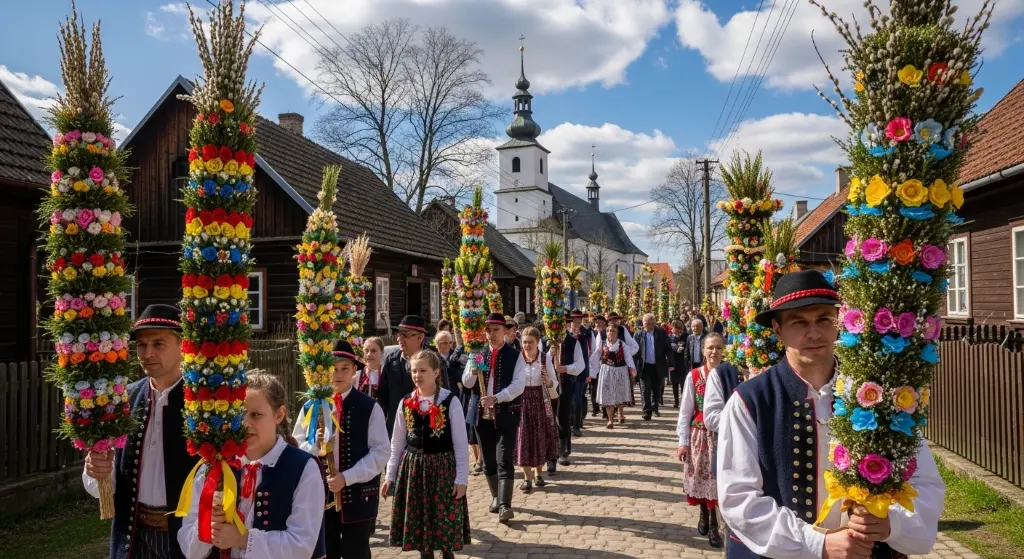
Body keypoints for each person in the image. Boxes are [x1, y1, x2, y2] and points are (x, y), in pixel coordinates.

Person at [717, 271, 945, 559]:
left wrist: (890, 524)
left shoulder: (875, 396)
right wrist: (818, 543)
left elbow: (925, 482)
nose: (813, 333)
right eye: (799, 322)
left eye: (824, 319)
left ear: (838, 323)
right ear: (777, 330)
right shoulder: (750, 402)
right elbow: (739, 500)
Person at [82, 304, 199, 559]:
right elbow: (110, 474)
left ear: (183, 346)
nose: (147, 353)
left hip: (187, 538)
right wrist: (98, 470)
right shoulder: (124, 398)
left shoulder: (203, 401)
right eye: (141, 345)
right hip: (132, 536)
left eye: (158, 344)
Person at [179, 371, 326, 559]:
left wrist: (242, 538)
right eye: (238, 414)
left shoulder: (303, 468)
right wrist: (208, 524)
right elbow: (189, 550)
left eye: (255, 415)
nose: (245, 423)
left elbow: (302, 545)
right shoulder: (215, 468)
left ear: (279, 414)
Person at [296, 340, 389, 559]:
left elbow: (380, 452)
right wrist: (315, 446)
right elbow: (298, 447)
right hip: (320, 498)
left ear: (354, 370)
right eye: (332, 368)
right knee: (324, 552)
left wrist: (346, 477)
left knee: (355, 552)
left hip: (358, 497)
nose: (338, 374)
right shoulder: (311, 406)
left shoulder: (369, 407)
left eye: (344, 368)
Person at [382, 350, 470, 559]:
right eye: (414, 371)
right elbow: (397, 442)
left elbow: (460, 443)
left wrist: (461, 478)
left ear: (436, 372)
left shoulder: (450, 402)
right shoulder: (406, 403)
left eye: (423, 370)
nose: (417, 375)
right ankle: (426, 553)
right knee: (420, 525)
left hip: (443, 468)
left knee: (444, 521)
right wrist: (390, 476)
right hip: (414, 469)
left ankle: (447, 553)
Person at [461, 312, 526, 523]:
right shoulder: (477, 353)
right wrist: (473, 366)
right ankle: (496, 497)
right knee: (488, 461)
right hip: (481, 416)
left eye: (496, 330)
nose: (491, 335)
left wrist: (497, 398)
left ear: (505, 331)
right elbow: (468, 383)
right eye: (488, 330)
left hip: (506, 414)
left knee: (504, 458)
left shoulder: (514, 355)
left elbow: (519, 385)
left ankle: (506, 504)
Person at [675, 333, 726, 549]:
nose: (714, 352)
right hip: (699, 436)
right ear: (703, 351)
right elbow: (685, 411)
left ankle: (715, 525)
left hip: (722, 435)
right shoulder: (694, 376)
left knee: (718, 482)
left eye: (718, 348)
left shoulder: (728, 375)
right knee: (701, 479)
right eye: (710, 348)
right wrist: (683, 441)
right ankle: (704, 514)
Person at [378, 316, 442, 438]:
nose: (399, 339)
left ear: (420, 337)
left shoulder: (434, 360)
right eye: (399, 334)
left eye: (405, 335)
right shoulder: (391, 360)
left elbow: (442, 394)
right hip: (394, 428)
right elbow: (382, 395)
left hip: (424, 429)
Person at [514, 327, 560, 491]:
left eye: (530, 342)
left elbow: (554, 383)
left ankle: (539, 473)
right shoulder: (518, 358)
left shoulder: (544, 358)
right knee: (524, 438)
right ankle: (527, 477)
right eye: (524, 342)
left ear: (538, 342)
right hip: (523, 401)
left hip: (540, 401)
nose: (526, 345)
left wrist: (548, 381)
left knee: (539, 437)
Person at [435, 330, 479, 474]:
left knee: (458, 430)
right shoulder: (434, 358)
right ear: (437, 345)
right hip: (438, 398)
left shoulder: (458, 356)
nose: (445, 345)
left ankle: (458, 463)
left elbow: (463, 374)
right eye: (441, 343)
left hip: (458, 397)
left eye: (447, 342)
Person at [548, 311, 586, 471]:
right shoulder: (545, 341)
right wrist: (550, 355)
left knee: (563, 418)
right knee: (549, 420)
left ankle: (563, 450)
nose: (560, 327)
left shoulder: (573, 342)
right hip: (548, 387)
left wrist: (565, 368)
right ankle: (550, 456)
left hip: (566, 385)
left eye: (564, 323)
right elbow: (537, 360)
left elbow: (580, 364)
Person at [590, 323, 637, 428]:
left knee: (619, 394)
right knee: (608, 395)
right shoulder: (602, 344)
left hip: (621, 371)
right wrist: (590, 370)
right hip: (607, 371)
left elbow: (628, 357)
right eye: (608, 331)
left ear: (617, 333)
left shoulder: (622, 345)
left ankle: (620, 414)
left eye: (613, 331)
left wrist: (632, 368)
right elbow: (595, 356)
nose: (610, 333)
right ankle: (610, 420)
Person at [634, 313, 675, 420]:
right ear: (643, 323)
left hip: (658, 364)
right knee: (645, 388)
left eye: (651, 323)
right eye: (646, 323)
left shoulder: (661, 332)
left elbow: (668, 348)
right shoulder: (639, 334)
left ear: (654, 323)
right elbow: (634, 351)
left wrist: (670, 363)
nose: (648, 325)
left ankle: (655, 407)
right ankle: (646, 411)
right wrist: (633, 366)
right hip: (644, 365)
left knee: (657, 388)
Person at [570, 309, 593, 438]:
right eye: (574, 321)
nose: (576, 324)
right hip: (567, 372)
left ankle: (577, 426)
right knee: (568, 400)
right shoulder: (565, 334)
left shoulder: (586, 334)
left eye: (578, 321)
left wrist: (588, 373)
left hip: (580, 372)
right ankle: (570, 423)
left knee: (578, 400)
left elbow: (588, 354)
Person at [587, 314, 608, 418]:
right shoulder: (592, 333)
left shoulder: (607, 333)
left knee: (604, 388)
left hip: (605, 363)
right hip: (593, 364)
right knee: (594, 388)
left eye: (600, 322)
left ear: (604, 323)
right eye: (597, 322)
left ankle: (605, 411)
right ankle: (595, 408)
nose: (598, 324)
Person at [668, 319, 689, 408]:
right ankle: (676, 401)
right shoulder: (669, 337)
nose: (678, 332)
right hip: (673, 363)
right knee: (674, 383)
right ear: (672, 329)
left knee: (683, 383)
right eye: (675, 329)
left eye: (679, 329)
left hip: (683, 363)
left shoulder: (686, 336)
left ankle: (683, 401)